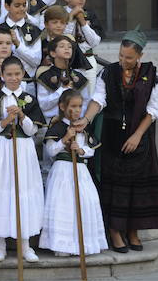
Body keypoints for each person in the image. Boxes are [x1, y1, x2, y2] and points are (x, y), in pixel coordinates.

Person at [74, 26, 158, 253]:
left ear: (140, 56)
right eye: (121, 56)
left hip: (140, 137)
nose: (124, 61)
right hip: (113, 136)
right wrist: (86, 119)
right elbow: (99, 99)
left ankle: (133, 231)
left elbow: (153, 110)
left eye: (129, 58)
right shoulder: (108, 72)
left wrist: (137, 135)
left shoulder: (151, 74)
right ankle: (115, 231)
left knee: (137, 187)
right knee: (115, 186)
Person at [0, 56, 47, 263]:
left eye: (17, 74)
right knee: (1, 192)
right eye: (9, 74)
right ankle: (0, 244)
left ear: (23, 75)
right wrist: (6, 120)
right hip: (1, 149)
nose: (14, 78)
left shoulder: (29, 99)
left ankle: (24, 244)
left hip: (23, 148)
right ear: (2, 75)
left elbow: (33, 130)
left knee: (22, 191)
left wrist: (22, 117)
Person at [39, 90, 108, 257]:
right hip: (63, 170)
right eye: (73, 106)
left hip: (80, 170)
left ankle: (83, 243)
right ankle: (63, 244)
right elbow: (50, 151)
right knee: (64, 204)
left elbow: (91, 149)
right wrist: (64, 140)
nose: (77, 110)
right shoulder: (57, 126)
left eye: (80, 106)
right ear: (63, 107)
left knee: (85, 201)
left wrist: (82, 150)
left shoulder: (82, 127)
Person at [0, 0, 43, 79]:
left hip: (27, 81)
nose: (22, 9)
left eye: (24, 5)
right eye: (17, 5)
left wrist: (18, 44)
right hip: (2, 81)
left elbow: (36, 61)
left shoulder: (34, 30)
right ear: (7, 6)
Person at [36, 35, 90, 121]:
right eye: (62, 46)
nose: (67, 49)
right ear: (53, 53)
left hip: (76, 121)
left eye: (69, 47)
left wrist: (78, 117)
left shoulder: (79, 77)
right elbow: (43, 105)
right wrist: (61, 90)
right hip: (52, 122)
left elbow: (86, 102)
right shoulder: (45, 77)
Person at [62, 0, 103, 89]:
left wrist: (83, 22)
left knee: (88, 94)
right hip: (66, 61)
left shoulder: (90, 14)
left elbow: (95, 42)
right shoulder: (60, 14)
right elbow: (62, 39)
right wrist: (70, 19)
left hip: (87, 60)